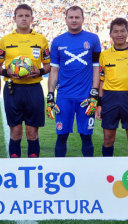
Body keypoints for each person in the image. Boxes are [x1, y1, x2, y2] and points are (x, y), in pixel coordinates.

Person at [47, 6, 101, 157]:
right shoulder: (58, 41)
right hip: (64, 97)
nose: (74, 20)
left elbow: (96, 67)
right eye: (71, 17)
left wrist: (95, 92)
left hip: (86, 97)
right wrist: (50, 94)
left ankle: (89, 170)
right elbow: (54, 70)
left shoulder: (93, 39)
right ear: (65, 20)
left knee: (86, 137)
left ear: (83, 19)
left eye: (77, 17)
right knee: (61, 136)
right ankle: (59, 172)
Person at [0, 4, 50, 158]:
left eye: (27, 16)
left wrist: (38, 71)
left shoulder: (41, 39)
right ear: (14, 19)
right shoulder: (5, 40)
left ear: (32, 19)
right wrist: (6, 72)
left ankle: (33, 169)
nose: (24, 18)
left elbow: (48, 66)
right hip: (12, 89)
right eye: (20, 16)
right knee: (15, 132)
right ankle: (15, 169)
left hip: (33, 89)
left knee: (32, 133)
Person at [96, 18, 128, 156]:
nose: (119, 34)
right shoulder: (104, 55)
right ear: (110, 34)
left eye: (122, 31)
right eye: (116, 31)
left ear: (127, 33)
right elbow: (101, 81)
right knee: (108, 139)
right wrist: (99, 103)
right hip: (110, 98)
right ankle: (106, 171)